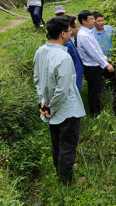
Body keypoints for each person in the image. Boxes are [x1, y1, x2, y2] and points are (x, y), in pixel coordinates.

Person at [34, 16, 86, 183]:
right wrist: (52, 108)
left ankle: (62, 168)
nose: (72, 33)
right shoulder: (64, 58)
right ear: (63, 33)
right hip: (66, 110)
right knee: (68, 145)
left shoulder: (40, 51)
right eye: (70, 31)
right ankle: (67, 180)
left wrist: (43, 101)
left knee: (57, 143)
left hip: (51, 107)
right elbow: (62, 90)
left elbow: (37, 79)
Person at [76, 10, 114, 117]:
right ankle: (95, 113)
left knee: (96, 89)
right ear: (83, 21)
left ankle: (96, 110)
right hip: (92, 68)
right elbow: (93, 53)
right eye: (91, 19)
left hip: (95, 66)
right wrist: (106, 64)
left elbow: (97, 50)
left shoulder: (89, 32)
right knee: (94, 91)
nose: (94, 21)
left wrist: (106, 59)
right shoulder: (84, 35)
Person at [92, 12, 116, 93]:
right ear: (94, 22)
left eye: (102, 20)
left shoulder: (109, 29)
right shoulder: (91, 33)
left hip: (110, 60)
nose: (102, 23)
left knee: (112, 80)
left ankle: (115, 96)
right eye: (99, 21)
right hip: (98, 61)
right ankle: (103, 95)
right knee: (100, 81)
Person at [64, 16, 84, 92]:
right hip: (73, 77)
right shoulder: (66, 44)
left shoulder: (71, 40)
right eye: (76, 27)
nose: (77, 29)